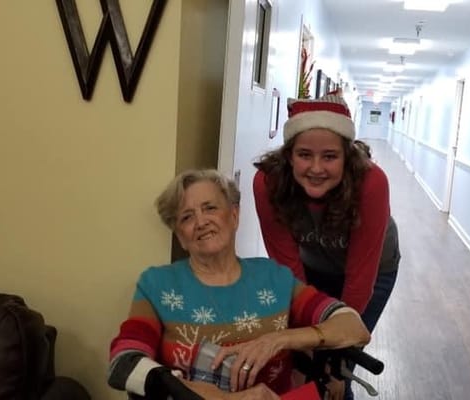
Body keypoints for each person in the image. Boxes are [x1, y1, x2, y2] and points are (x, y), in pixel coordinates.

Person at [107, 169, 371, 400]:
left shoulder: (273, 277)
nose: (201, 222)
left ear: (234, 216)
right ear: (181, 237)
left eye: (210, 208)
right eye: (186, 217)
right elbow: (124, 362)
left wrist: (280, 339)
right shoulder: (157, 284)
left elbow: (354, 327)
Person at [253, 91, 400, 399]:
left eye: (330, 156)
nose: (316, 168)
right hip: (311, 268)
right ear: (289, 155)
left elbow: (360, 279)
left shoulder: (371, 183)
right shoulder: (268, 182)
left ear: (347, 157)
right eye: (305, 154)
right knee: (306, 364)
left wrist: (334, 356)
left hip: (372, 272)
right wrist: (305, 346)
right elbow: (287, 268)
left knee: (336, 373)